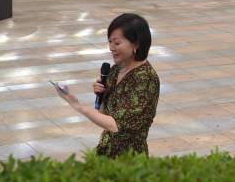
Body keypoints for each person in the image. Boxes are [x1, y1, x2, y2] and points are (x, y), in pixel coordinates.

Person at [55, 13, 160, 158]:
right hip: (106, 150)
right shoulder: (116, 70)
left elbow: (116, 125)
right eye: (110, 42)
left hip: (129, 158)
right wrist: (103, 96)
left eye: (117, 43)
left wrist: (78, 106)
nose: (111, 48)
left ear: (136, 44)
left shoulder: (146, 79)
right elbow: (105, 115)